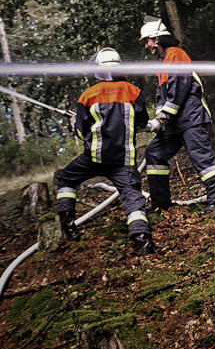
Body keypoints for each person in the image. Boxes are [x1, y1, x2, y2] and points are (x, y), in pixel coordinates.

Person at [55, 47, 155, 255]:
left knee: (65, 178)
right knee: (132, 197)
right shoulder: (133, 91)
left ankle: (69, 228)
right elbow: (141, 122)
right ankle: (144, 243)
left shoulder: (87, 95)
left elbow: (81, 133)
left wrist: (75, 123)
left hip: (94, 158)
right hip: (123, 160)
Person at [139, 18, 215, 216]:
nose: (146, 45)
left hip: (190, 118)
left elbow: (179, 88)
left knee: (202, 159)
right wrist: (158, 119)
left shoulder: (175, 54)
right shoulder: (162, 62)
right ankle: (161, 204)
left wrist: (163, 118)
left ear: (157, 39)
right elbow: (162, 95)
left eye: (147, 41)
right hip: (174, 122)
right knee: (154, 153)